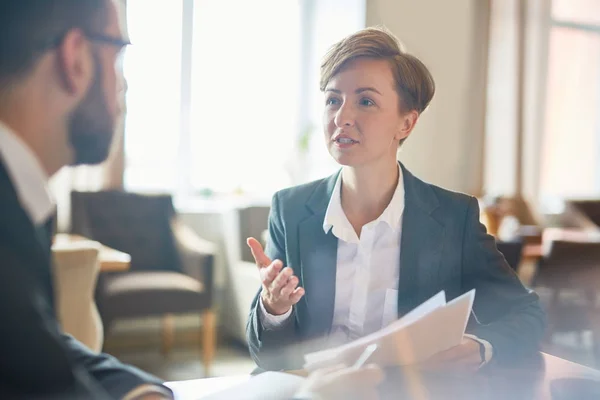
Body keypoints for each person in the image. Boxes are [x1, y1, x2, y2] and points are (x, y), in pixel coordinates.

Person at [0, 1, 380, 399]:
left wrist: (141, 392)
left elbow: (42, 352)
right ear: (75, 59)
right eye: (118, 54)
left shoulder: (23, 203)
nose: (123, 85)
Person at [246, 27, 545, 372]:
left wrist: (480, 347)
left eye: (366, 101)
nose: (342, 117)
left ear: (406, 123)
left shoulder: (452, 218)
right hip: (312, 390)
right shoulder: (292, 209)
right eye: (333, 99)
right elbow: (267, 355)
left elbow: (526, 313)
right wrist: (274, 309)